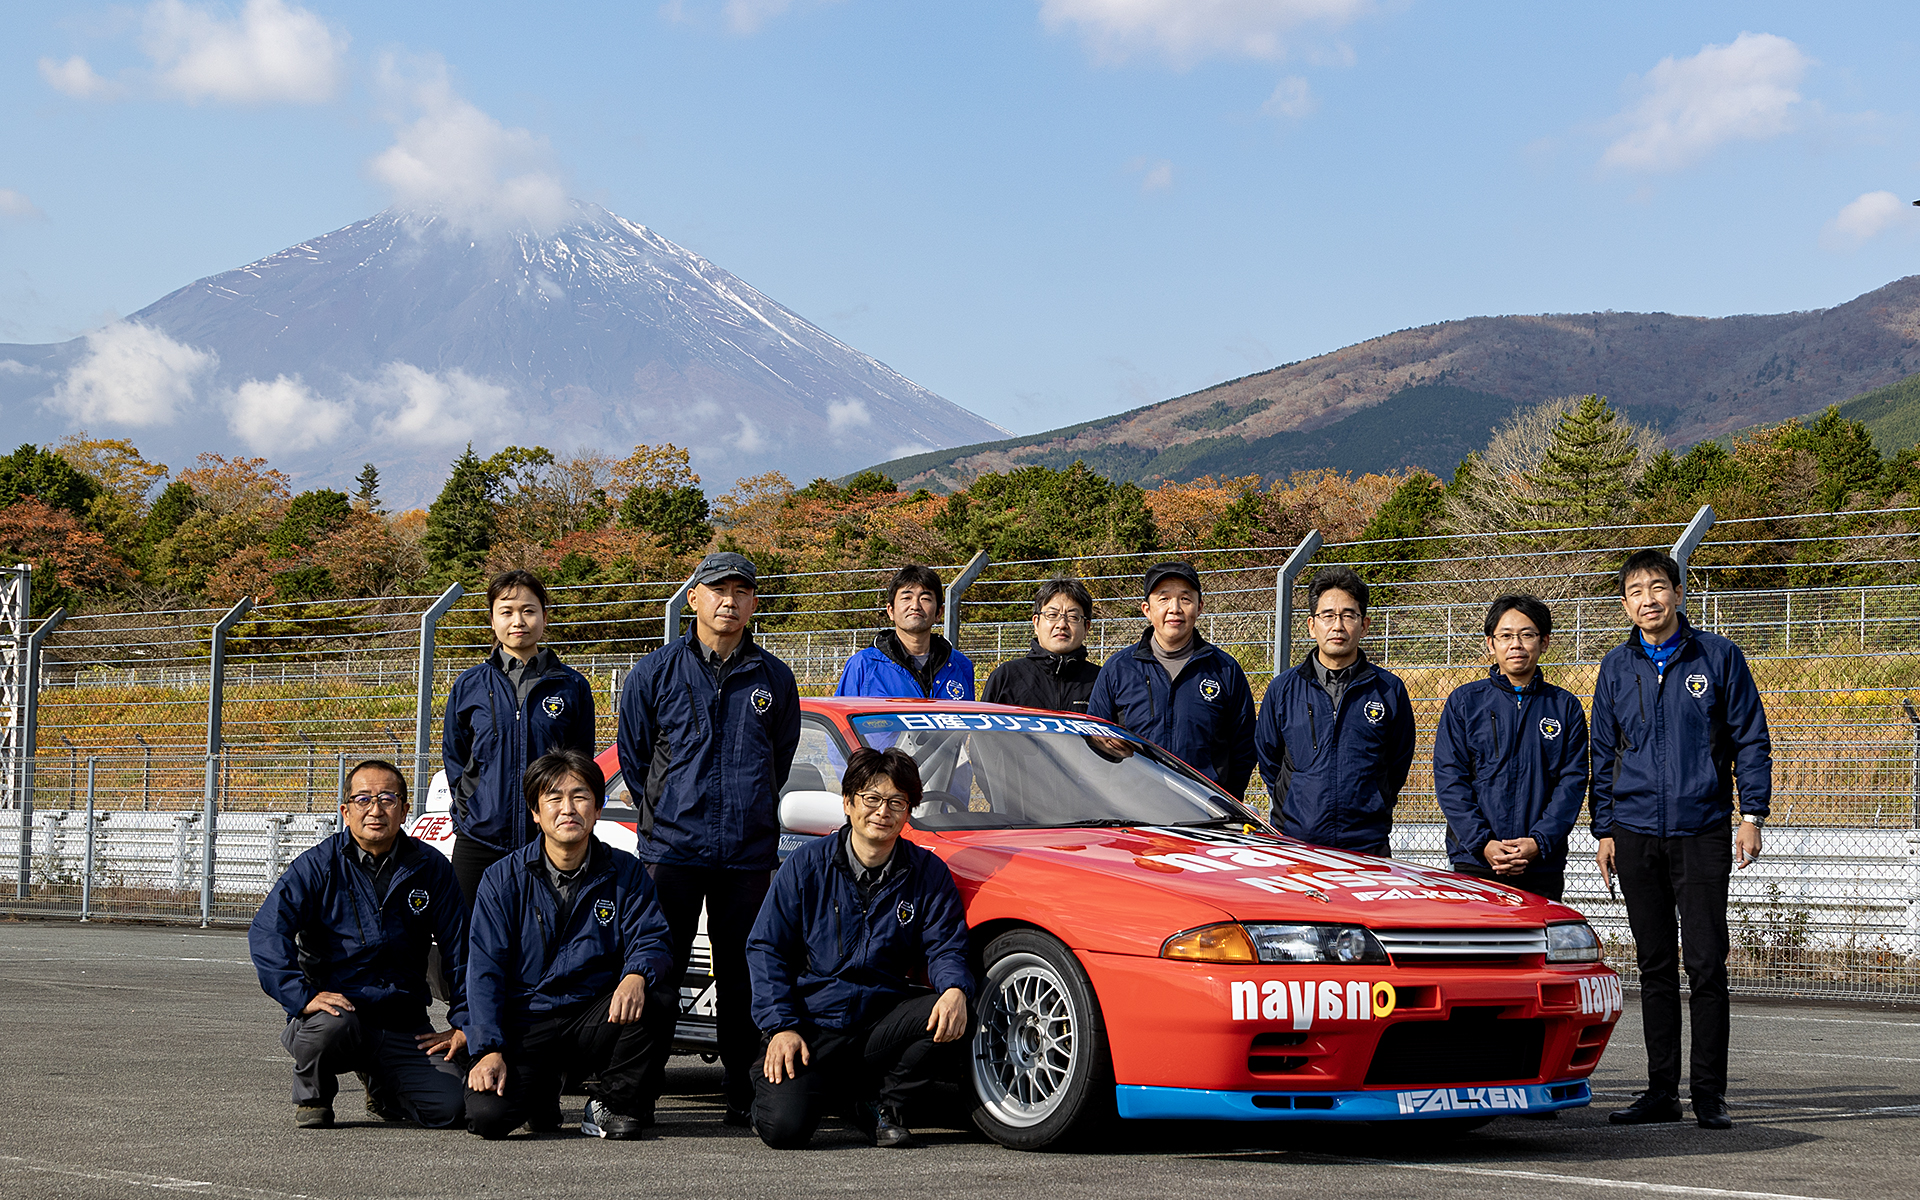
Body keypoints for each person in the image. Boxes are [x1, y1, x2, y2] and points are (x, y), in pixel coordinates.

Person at [616, 551, 801, 1126]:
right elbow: (636, 757)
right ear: (692, 598)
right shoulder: (654, 672)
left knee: (743, 976)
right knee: (657, 970)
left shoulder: (773, 677)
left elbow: (781, 757)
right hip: (671, 850)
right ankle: (637, 1099)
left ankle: (743, 1098)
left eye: (741, 591)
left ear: (752, 603)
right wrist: (671, 809)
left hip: (746, 855)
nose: (729, 600)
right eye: (717, 589)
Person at [1592, 550, 1772, 1132]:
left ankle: (1709, 1095)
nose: (1649, 599)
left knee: (1705, 964)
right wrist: (1604, 829)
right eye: (1636, 591)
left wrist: (1753, 815)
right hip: (1636, 831)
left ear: (1678, 593)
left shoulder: (1718, 657)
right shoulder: (1616, 667)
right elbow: (1602, 753)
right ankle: (1660, 1091)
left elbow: (1751, 739)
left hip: (1702, 831)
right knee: (1654, 965)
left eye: (1659, 587)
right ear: (1624, 603)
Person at [746, 747, 974, 1149]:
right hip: (811, 1022)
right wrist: (781, 1026)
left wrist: (955, 987)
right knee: (785, 1130)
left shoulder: (927, 874)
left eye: (896, 802)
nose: (882, 812)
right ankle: (778, 1084)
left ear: (908, 812)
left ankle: (883, 1104)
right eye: (871, 799)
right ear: (849, 803)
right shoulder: (806, 867)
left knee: (953, 1009)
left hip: (879, 1022)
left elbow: (946, 947)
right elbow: (767, 949)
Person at [464, 750, 676, 1140]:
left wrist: (635, 975)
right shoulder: (501, 880)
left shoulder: (625, 872)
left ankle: (610, 1102)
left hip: (592, 1020)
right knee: (487, 1118)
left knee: (657, 994)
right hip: (527, 1023)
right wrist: (487, 1049)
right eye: (554, 798)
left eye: (580, 797)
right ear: (535, 812)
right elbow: (484, 972)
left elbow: (653, 939)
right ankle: (542, 1088)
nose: (568, 809)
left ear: (597, 809)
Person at [249, 759, 469, 1129]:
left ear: (404, 809)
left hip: (402, 1022)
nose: (375, 809)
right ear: (345, 811)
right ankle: (313, 1095)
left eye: (387, 798)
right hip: (338, 1016)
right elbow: (267, 932)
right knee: (330, 1029)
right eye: (363, 799)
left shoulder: (431, 868)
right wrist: (301, 997)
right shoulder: (317, 866)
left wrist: (466, 1022)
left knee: (453, 1109)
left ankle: (384, 1088)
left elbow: (461, 949)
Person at [443, 569, 597, 905]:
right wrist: (470, 809)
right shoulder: (469, 686)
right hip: (480, 840)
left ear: (544, 616)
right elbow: (456, 757)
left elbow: (581, 762)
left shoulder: (571, 687)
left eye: (528, 610)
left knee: (542, 941)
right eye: (507, 612)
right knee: (468, 943)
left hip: (548, 840)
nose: (519, 621)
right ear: (492, 619)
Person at [1432, 594, 1589, 900]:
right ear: (1491, 643)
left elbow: (1572, 782)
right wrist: (1483, 843)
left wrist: (1539, 842)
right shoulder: (1465, 702)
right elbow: (1450, 779)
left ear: (1544, 642)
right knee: (1477, 948)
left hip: (1541, 863)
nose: (1516, 644)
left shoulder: (1564, 706)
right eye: (1505, 636)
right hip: (1475, 862)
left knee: (1536, 946)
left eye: (1526, 635)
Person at [1254, 565, 1414, 855]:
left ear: (1364, 625)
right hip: (1297, 845)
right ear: (1311, 625)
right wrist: (1295, 799)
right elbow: (1269, 761)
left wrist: (1374, 799)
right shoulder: (1283, 690)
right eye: (1327, 616)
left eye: (1348, 615)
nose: (1337, 626)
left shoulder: (1389, 690)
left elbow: (1397, 762)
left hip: (1367, 845)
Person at [1087, 561, 1256, 799]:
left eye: (1185, 599)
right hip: (1133, 810)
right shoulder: (1118, 668)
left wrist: (1225, 801)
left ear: (1200, 607)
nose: (1175, 608)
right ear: (1147, 609)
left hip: (1205, 812)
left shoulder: (1225, 669)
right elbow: (1094, 737)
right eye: (1164, 599)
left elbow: (1244, 747)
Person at [835, 564, 976, 701]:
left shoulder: (961, 665)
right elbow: (841, 718)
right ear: (891, 611)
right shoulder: (863, 665)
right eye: (906, 598)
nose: (915, 606)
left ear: (939, 613)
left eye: (925, 599)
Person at [981, 575, 1102, 712]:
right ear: (1036, 623)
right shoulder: (1007, 676)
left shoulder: (1102, 680)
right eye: (1052, 615)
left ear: (1086, 627)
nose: (1062, 624)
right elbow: (983, 731)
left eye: (1073, 617)